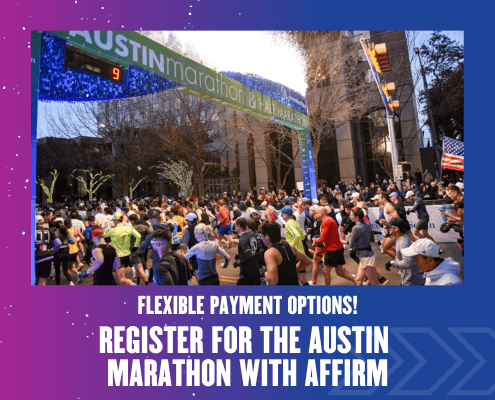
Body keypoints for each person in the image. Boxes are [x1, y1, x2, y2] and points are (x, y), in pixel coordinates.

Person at [311, 206, 356, 286]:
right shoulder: (328, 220)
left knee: (326, 271)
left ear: (321, 214)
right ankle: (357, 281)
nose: (315, 214)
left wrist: (316, 241)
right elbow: (329, 236)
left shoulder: (326, 221)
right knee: (339, 272)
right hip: (336, 248)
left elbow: (324, 237)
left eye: (317, 213)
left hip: (332, 250)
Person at [259, 220, 312, 286]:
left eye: (261, 235)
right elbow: (308, 261)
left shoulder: (270, 253)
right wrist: (292, 270)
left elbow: (273, 281)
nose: (261, 238)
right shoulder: (290, 247)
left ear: (267, 236)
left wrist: (266, 273)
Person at [341, 207, 380, 286]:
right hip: (366, 256)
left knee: (375, 284)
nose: (350, 216)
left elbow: (351, 244)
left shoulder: (355, 228)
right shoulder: (367, 225)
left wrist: (343, 241)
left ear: (357, 217)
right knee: (358, 281)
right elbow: (372, 239)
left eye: (351, 215)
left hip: (366, 258)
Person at [383, 218, 424, 286]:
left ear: (397, 229)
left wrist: (391, 263)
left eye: (390, 227)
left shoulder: (403, 243)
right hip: (409, 277)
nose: (388, 228)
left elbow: (408, 263)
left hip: (412, 280)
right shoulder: (400, 238)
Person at [104, 212, 141, 285]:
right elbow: (138, 236)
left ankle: (134, 286)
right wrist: (135, 246)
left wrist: (110, 227)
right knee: (118, 278)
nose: (113, 222)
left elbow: (104, 235)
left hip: (117, 256)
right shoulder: (129, 228)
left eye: (114, 220)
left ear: (116, 220)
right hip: (127, 254)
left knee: (121, 279)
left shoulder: (112, 230)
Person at [233, 218, 261, 285]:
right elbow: (257, 249)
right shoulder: (251, 235)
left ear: (238, 226)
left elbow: (248, 256)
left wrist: (238, 263)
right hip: (256, 269)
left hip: (246, 271)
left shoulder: (242, 239)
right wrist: (240, 255)